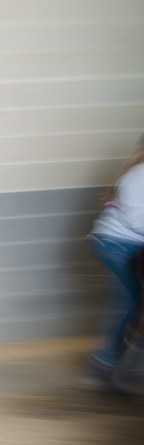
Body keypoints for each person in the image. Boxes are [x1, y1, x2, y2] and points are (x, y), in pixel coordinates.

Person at [85, 135, 144, 390]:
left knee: (131, 305)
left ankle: (109, 363)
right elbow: (136, 219)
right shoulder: (138, 175)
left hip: (123, 245)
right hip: (117, 245)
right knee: (133, 306)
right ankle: (106, 362)